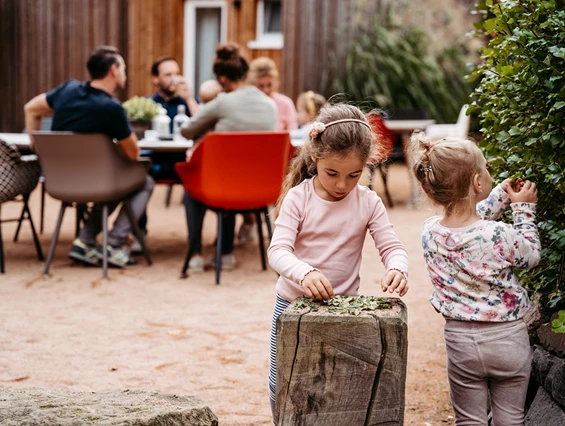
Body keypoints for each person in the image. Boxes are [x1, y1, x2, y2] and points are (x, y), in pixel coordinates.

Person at [267, 103, 410, 420]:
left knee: (339, 387)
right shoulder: (299, 198)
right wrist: (304, 274)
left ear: (366, 166)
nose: (343, 185)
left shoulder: (368, 201)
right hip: (291, 305)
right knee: (283, 381)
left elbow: (393, 247)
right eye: (332, 173)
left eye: (354, 175)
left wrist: (398, 267)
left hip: (344, 309)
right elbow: (277, 251)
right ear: (315, 157)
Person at [407, 132, 541, 425]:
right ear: (478, 183)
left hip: (460, 343)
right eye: (486, 169)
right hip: (507, 341)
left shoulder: (429, 231)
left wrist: (500, 198)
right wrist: (522, 209)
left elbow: (467, 221)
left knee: (469, 421)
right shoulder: (500, 234)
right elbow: (531, 256)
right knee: (511, 418)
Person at [24, 46, 154, 268]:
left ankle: (84, 242)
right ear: (114, 70)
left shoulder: (67, 90)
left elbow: (31, 108)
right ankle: (114, 244)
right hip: (99, 183)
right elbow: (134, 154)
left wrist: (36, 147)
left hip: (59, 182)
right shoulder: (111, 108)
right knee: (143, 180)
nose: (125, 73)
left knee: (115, 180)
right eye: (123, 68)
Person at [180, 43, 277, 272]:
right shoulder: (270, 104)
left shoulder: (222, 102)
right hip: (262, 189)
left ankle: (194, 254)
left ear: (222, 79)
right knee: (232, 175)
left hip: (226, 187)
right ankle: (226, 254)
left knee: (193, 189)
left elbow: (187, 131)